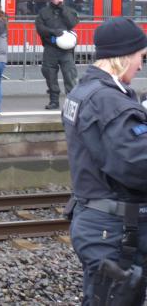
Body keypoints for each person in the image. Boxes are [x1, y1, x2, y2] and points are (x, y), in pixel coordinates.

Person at [62, 17, 147, 305]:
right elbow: (138, 166)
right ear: (124, 57)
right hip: (115, 229)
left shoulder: (84, 90)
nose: (140, 65)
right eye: (140, 57)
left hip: (95, 218)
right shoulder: (109, 101)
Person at [36, 0, 80, 109]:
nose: (60, 0)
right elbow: (40, 29)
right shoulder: (43, 13)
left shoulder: (69, 11)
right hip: (50, 48)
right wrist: (53, 32)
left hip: (66, 51)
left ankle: (72, 103)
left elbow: (72, 24)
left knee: (70, 76)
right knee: (50, 75)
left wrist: (63, 10)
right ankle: (54, 101)